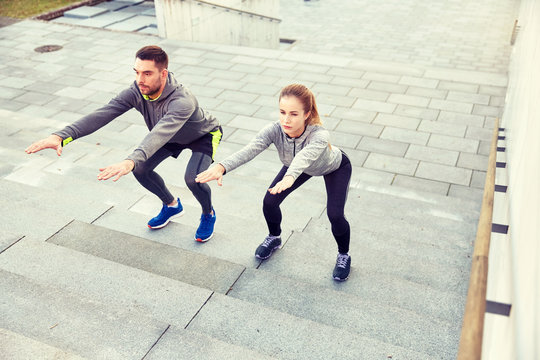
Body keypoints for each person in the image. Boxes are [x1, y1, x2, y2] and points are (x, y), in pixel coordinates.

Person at [25, 45, 222, 242]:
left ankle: (208, 213)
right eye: (137, 72)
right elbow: (104, 113)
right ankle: (172, 206)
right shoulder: (137, 90)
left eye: (147, 73)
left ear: (163, 74)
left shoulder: (182, 101)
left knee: (193, 179)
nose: (140, 80)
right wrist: (61, 136)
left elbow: (160, 133)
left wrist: (130, 160)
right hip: (170, 135)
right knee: (141, 169)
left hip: (202, 135)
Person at [195, 84, 352, 281]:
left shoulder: (319, 135)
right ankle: (274, 237)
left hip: (333, 167)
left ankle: (343, 255)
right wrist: (221, 167)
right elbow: (251, 149)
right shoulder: (274, 130)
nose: (286, 119)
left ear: (307, 114)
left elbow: (303, 158)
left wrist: (289, 177)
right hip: (294, 168)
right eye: (282, 112)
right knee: (269, 202)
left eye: (294, 114)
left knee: (335, 215)